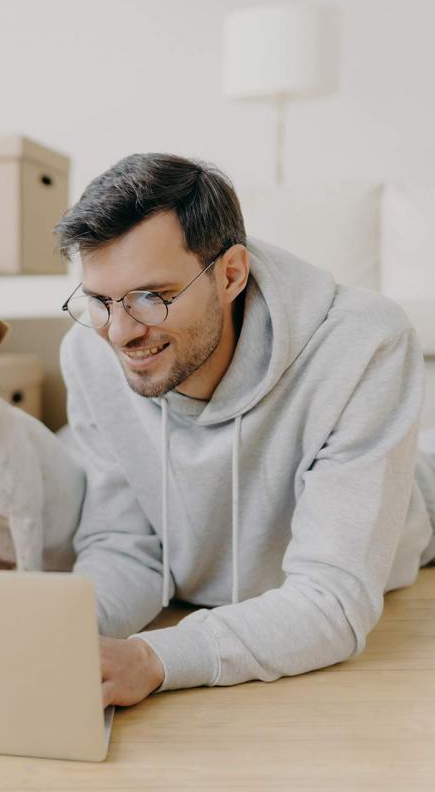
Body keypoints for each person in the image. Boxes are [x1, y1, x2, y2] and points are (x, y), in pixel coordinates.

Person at [55, 153, 435, 707]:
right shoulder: (89, 356)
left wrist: (153, 658)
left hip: (412, 514)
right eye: (99, 300)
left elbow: (331, 601)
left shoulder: (364, 343)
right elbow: (125, 545)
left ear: (231, 274)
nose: (120, 332)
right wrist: (58, 630)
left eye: (151, 297)